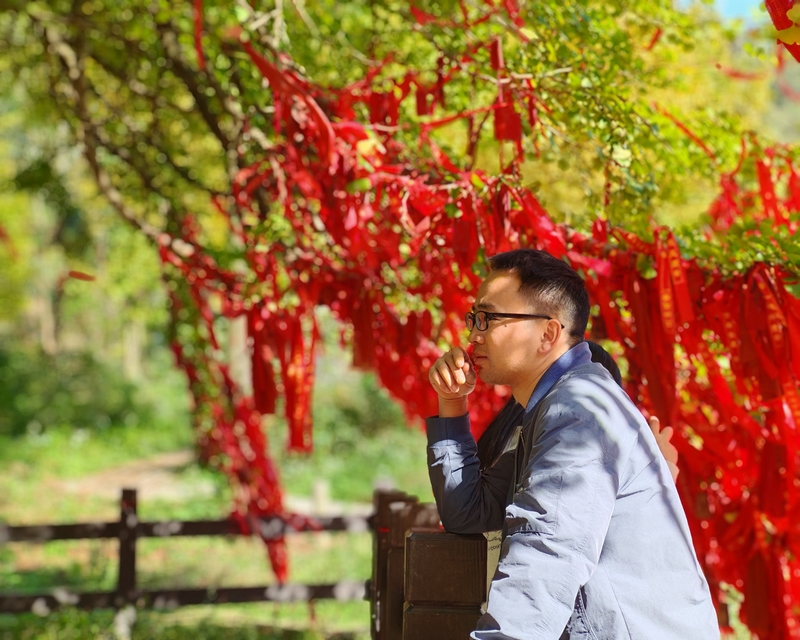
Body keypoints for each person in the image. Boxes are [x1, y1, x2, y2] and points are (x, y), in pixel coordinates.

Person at [426, 248, 718, 639]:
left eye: (489, 318)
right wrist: (452, 403)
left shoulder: (578, 412)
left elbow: (547, 553)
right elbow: (470, 512)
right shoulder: (559, 405)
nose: (473, 335)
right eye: (474, 318)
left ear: (548, 333)